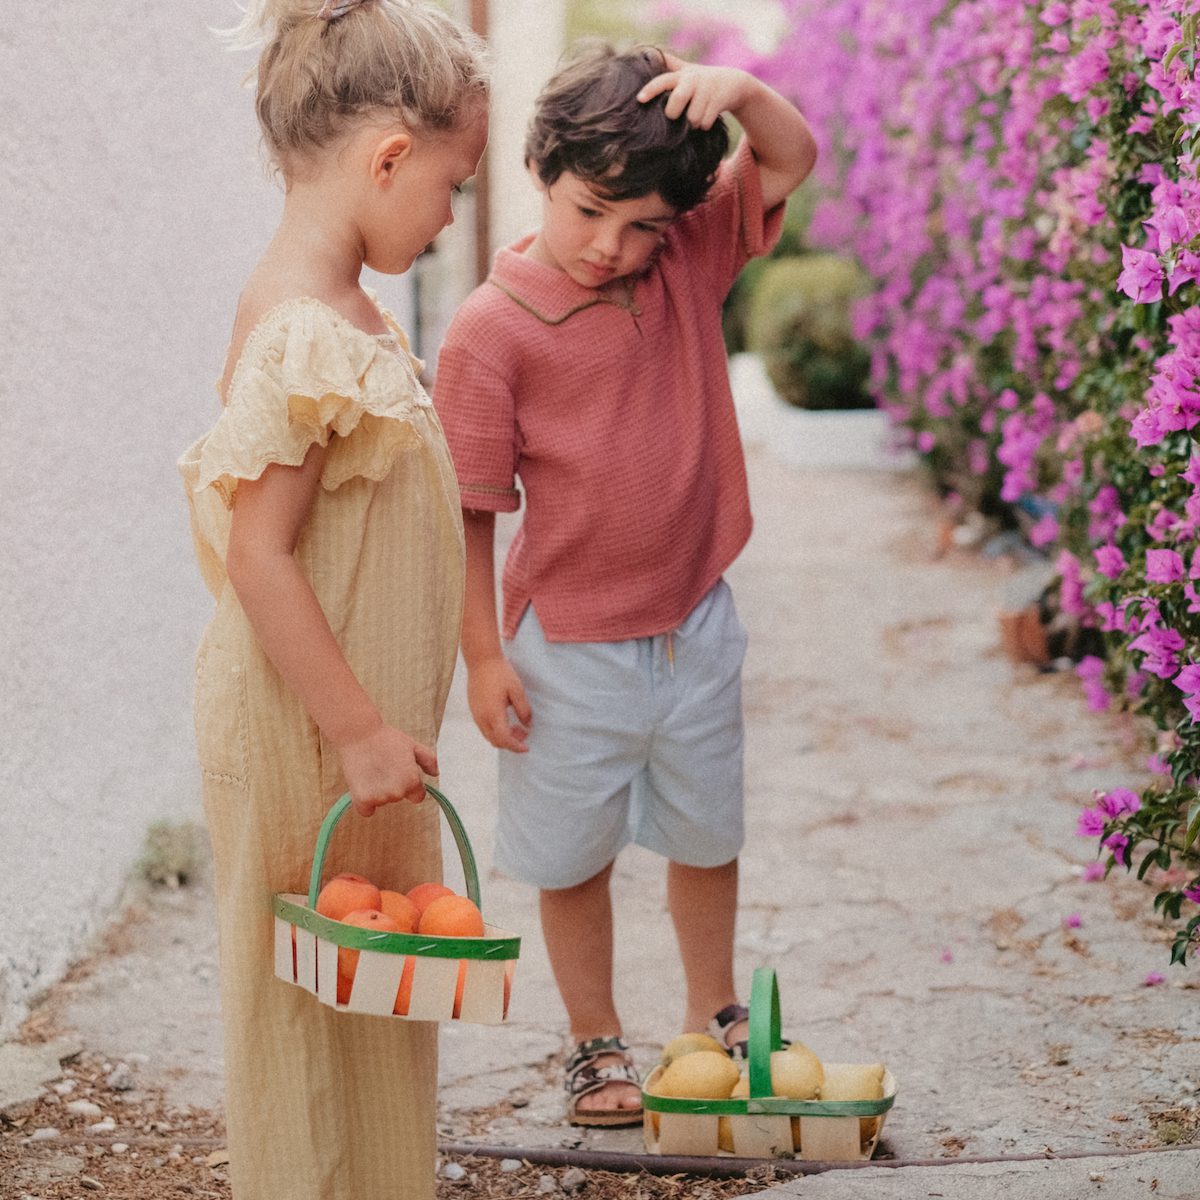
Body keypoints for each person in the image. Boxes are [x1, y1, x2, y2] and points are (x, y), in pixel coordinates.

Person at [433, 44, 816, 1126]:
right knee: (573, 852)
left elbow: (793, 153)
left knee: (707, 832)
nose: (613, 245)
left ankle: (712, 1014)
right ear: (542, 170)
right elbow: (471, 511)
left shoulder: (688, 258)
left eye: (642, 222)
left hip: (694, 622)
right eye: (592, 209)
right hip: (564, 647)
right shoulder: (489, 332)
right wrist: (481, 654)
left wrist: (738, 90)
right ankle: (594, 1039)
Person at [177, 2, 487, 1195]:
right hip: (313, 732)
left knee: (371, 983)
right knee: (306, 1014)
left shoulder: (349, 310)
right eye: (452, 186)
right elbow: (262, 557)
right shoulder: (302, 331)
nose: (452, 215)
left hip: (359, 731)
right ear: (388, 159)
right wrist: (356, 728)